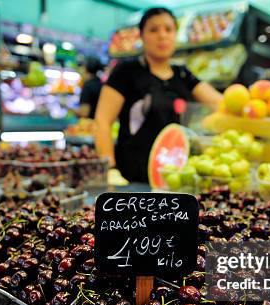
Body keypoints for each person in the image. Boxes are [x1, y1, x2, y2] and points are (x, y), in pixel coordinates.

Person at [94, 7, 222, 183]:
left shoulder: (183, 75)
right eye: (153, 30)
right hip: (132, 178)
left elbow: (220, 104)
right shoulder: (126, 72)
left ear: (175, 34)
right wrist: (109, 168)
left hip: (175, 175)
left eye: (168, 29)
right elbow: (102, 121)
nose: (162, 35)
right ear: (141, 35)